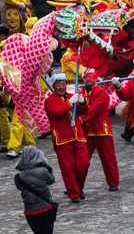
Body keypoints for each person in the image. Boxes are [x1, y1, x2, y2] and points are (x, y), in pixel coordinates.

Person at [44, 73, 89, 203]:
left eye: (64, 84)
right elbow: (57, 112)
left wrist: (82, 102)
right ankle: (73, 193)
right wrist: (70, 102)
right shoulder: (49, 101)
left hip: (78, 136)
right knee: (67, 168)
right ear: (54, 86)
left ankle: (79, 187)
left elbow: (84, 111)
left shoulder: (71, 97)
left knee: (84, 164)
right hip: (63, 139)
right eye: (59, 85)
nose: (62, 87)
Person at [80, 69, 119, 191]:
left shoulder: (101, 93)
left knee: (108, 158)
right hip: (87, 132)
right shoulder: (80, 93)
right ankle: (77, 185)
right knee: (82, 160)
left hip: (102, 130)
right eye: (85, 77)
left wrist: (80, 119)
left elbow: (93, 110)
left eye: (89, 76)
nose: (87, 79)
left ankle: (113, 182)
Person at [15, 146, 56, 234]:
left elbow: (19, 187)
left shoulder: (18, 177)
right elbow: (51, 180)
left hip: (30, 211)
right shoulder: (44, 171)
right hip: (46, 208)